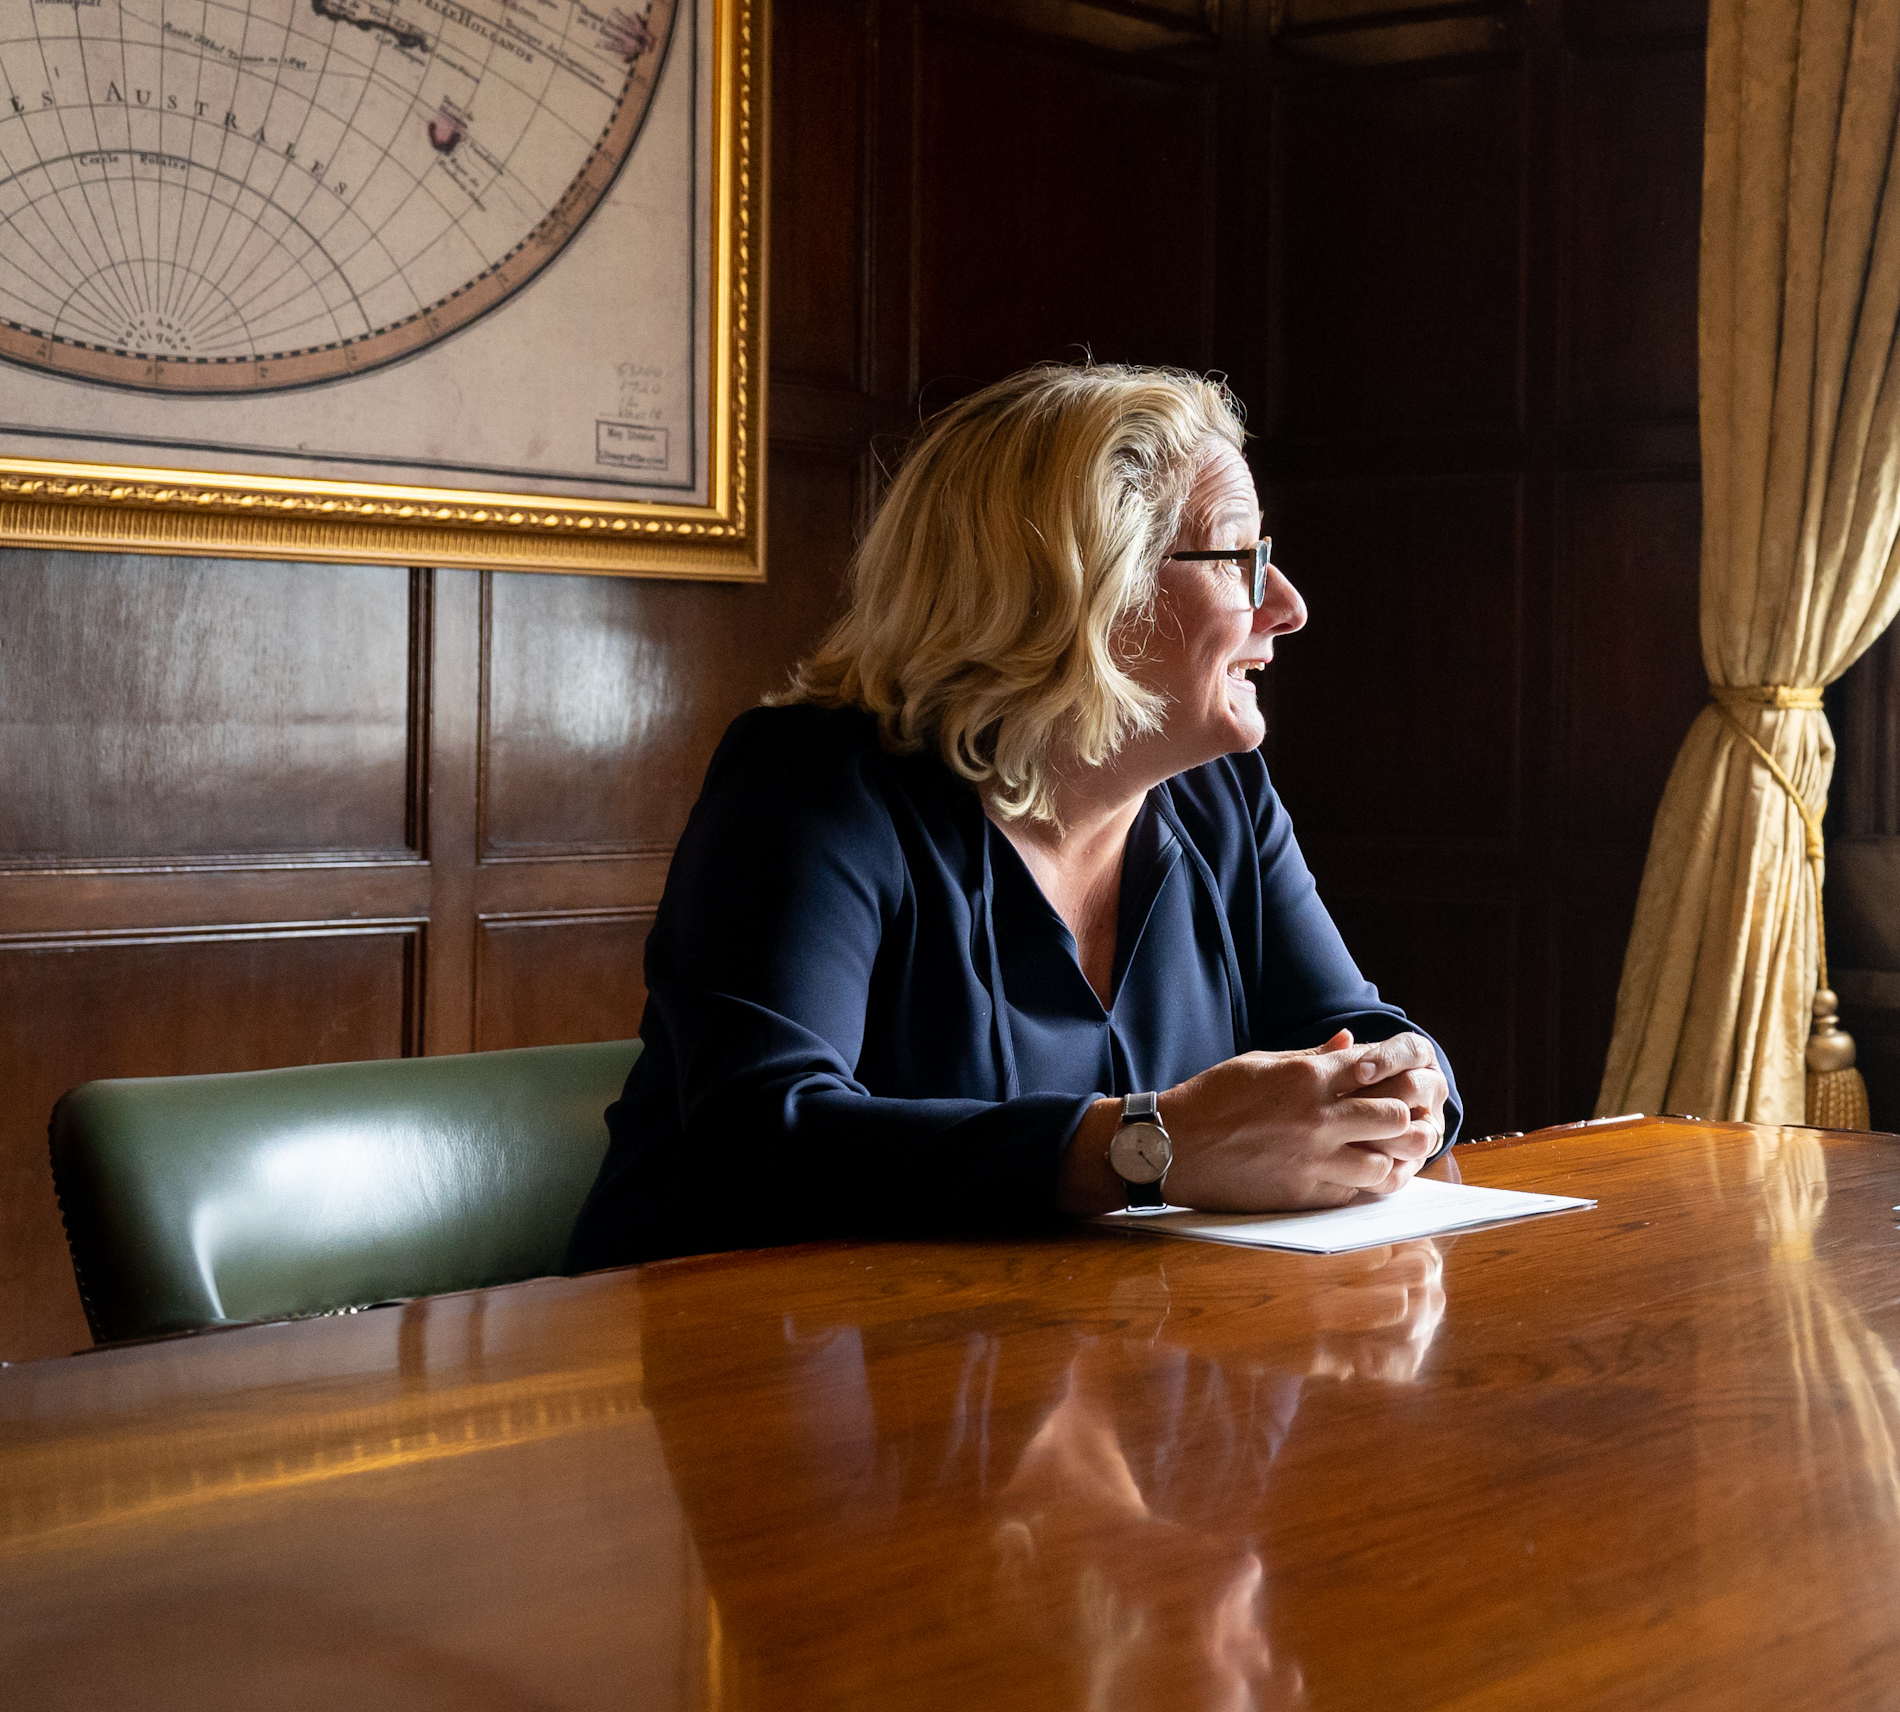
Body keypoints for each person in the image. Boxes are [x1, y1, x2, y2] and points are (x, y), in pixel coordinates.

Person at [567, 364, 1455, 1270]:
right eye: (1241, 559)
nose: (1289, 607)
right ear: (1079, 590)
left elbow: (1352, 1023)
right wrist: (1147, 1147)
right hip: (741, 1364)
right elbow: (761, 1141)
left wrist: (1409, 1089)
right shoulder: (811, 785)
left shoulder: (1221, 797)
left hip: (1078, 1360)